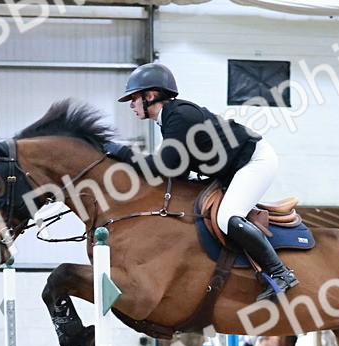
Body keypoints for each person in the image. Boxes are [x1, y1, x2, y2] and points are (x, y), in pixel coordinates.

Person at [103, 63, 299, 301]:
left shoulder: (179, 116)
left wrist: (122, 153)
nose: (131, 105)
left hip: (255, 161)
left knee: (227, 218)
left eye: (134, 98)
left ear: (151, 96)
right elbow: (176, 169)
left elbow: (162, 166)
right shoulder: (169, 119)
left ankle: (280, 272)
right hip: (232, 168)